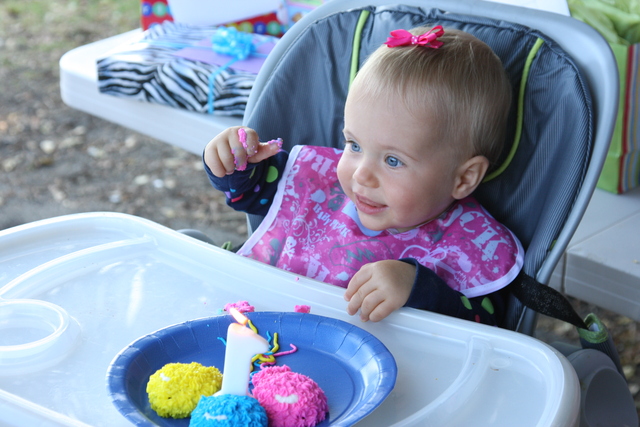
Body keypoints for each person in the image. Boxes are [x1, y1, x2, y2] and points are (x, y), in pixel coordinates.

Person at [203, 26, 523, 325]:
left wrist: (417, 288)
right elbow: (252, 194)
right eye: (354, 144)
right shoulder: (319, 182)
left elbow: (487, 331)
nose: (361, 175)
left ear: (464, 178)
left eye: (393, 161)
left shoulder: (474, 245)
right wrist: (235, 163)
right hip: (260, 334)